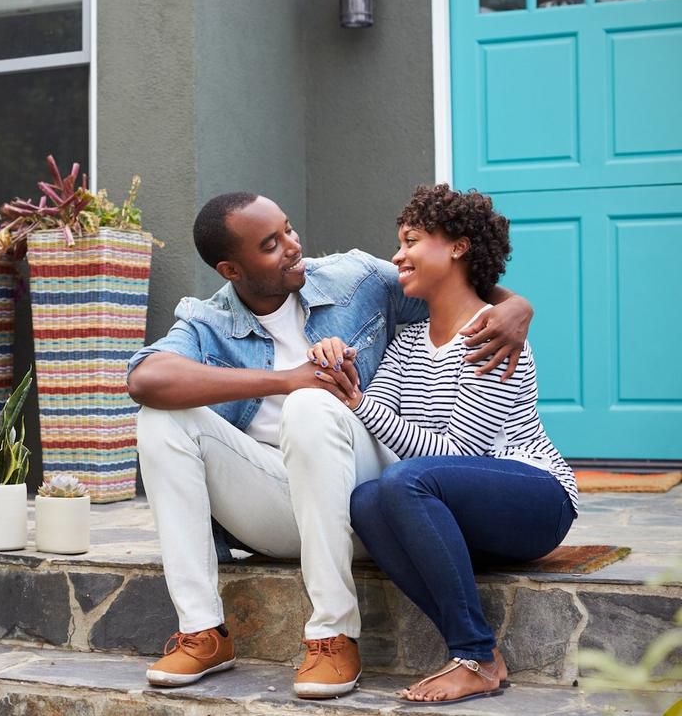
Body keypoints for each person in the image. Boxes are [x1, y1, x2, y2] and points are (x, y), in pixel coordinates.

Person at [126, 191, 535, 699]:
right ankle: (203, 630)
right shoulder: (208, 322)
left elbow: (453, 282)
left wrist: (518, 306)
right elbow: (146, 378)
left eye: (289, 230)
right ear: (232, 269)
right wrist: (286, 380)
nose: (293, 247)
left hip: (369, 499)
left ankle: (332, 634)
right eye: (271, 244)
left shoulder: (355, 279)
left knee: (313, 406)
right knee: (161, 419)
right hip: (279, 506)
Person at [310, 184, 578, 705]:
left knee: (405, 480)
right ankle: (480, 655)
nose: (397, 255)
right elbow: (378, 411)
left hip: (536, 498)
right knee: (366, 501)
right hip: (461, 507)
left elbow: (460, 456)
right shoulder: (408, 342)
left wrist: (358, 404)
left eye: (411, 240)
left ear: (458, 246)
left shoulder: (494, 334)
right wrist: (343, 373)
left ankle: (473, 655)